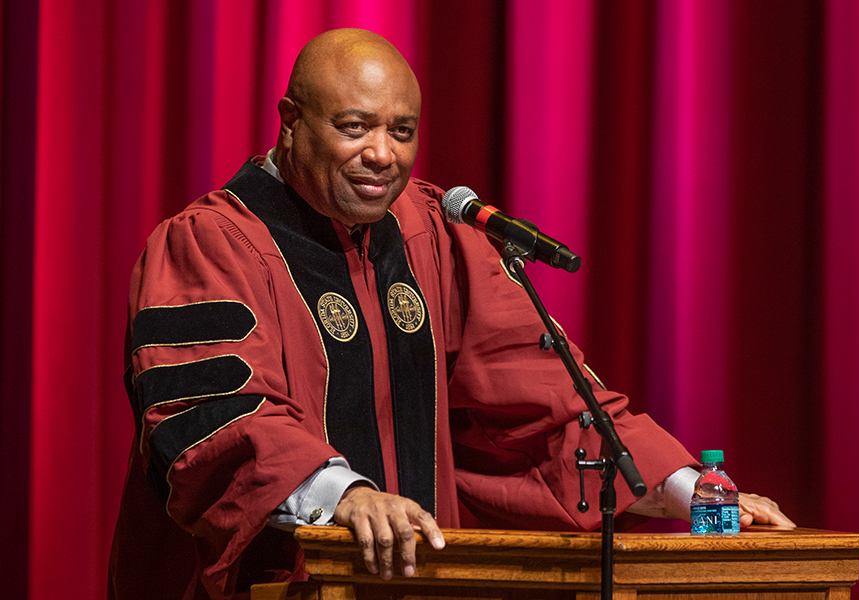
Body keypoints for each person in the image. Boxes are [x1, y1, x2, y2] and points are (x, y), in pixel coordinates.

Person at [108, 28, 793, 600]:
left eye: (401, 131)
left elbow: (547, 400)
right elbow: (214, 416)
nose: (383, 153)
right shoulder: (211, 243)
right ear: (290, 122)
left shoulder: (432, 235)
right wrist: (342, 496)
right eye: (355, 128)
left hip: (421, 585)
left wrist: (688, 492)